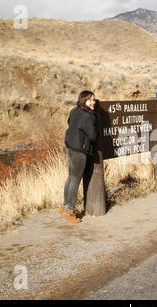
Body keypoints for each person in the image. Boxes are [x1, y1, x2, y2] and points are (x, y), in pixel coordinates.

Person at [59, 90, 99, 224]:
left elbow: (69, 122)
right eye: (90, 100)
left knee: (70, 177)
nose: (93, 102)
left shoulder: (74, 110)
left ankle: (64, 207)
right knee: (75, 180)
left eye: (93, 99)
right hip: (79, 151)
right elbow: (93, 136)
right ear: (83, 101)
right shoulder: (89, 116)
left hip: (69, 147)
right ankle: (70, 211)